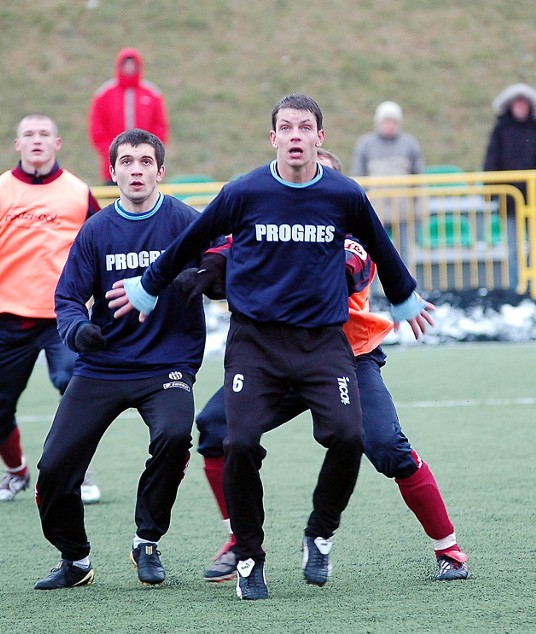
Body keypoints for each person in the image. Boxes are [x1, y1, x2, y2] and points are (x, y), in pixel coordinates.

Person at [107, 94, 433, 600]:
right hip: (256, 344)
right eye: (287, 127)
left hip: (323, 343)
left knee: (349, 437)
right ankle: (250, 557)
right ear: (273, 137)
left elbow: (379, 246)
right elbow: (192, 239)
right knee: (237, 443)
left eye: (306, 127)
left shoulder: (344, 195)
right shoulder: (245, 191)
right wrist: (150, 285)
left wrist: (406, 296)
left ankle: (320, 533)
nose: (296, 135)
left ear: (319, 138)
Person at [178, 151, 467, 583]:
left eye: (323, 176)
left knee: (387, 446)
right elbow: (228, 249)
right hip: (274, 357)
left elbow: (349, 265)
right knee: (216, 430)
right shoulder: (271, 221)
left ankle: (448, 546)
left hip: (345, 358)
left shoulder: (352, 233)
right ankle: (241, 540)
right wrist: (211, 267)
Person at [33, 129, 212, 591]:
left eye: (146, 162)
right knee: (54, 467)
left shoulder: (185, 222)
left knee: (174, 436)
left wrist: (210, 277)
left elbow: (227, 255)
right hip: (104, 365)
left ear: (160, 171)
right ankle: (75, 559)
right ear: (112, 172)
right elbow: (68, 298)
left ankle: (146, 540)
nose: (136, 170)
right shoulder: (96, 231)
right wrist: (78, 331)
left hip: (168, 364)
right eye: (127, 162)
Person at [0, 113, 102, 504]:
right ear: (18, 145)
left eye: (45, 134)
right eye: (28, 134)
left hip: (63, 318)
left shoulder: (78, 193)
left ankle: (76, 470)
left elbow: (105, 249)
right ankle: (15, 472)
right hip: (5, 319)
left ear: (57, 143)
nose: (36, 140)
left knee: (74, 386)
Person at [352, 101, 424, 263]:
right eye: (386, 121)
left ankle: (407, 287)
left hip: (403, 209)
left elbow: (418, 178)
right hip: (376, 210)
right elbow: (358, 177)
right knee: (374, 251)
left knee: (405, 252)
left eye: (393, 121)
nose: (390, 125)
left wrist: (418, 207)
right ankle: (374, 288)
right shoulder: (365, 145)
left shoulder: (410, 144)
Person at [88, 47, 170, 185]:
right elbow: (97, 127)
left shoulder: (151, 93)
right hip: (113, 166)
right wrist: (110, 153)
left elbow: (160, 126)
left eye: (133, 64)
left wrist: (152, 151)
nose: (129, 68)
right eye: (126, 64)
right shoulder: (105, 94)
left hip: (146, 166)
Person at [483, 82, 536, 290]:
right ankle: (517, 287)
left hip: (533, 197)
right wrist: (490, 190)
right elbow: (492, 157)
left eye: (524, 104)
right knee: (513, 246)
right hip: (510, 197)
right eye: (517, 104)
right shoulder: (501, 129)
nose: (521, 107)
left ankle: (531, 285)